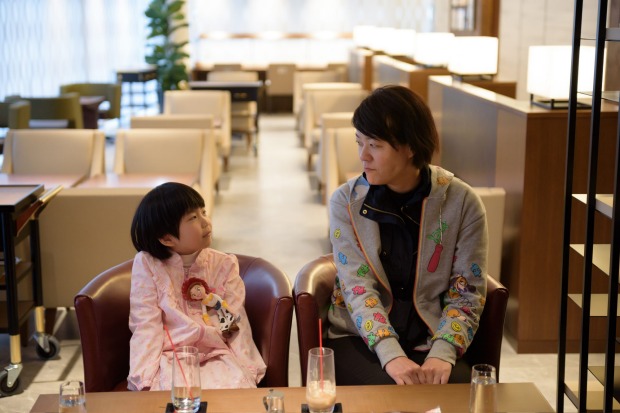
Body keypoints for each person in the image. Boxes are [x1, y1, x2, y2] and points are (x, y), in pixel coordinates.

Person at [325, 85, 488, 385]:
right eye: (359, 142)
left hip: (433, 336)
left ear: (410, 146)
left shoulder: (462, 202)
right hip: (361, 338)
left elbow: (466, 291)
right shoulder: (345, 203)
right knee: (392, 394)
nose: (363, 156)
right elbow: (356, 287)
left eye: (375, 145)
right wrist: (391, 354)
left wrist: (443, 351)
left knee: (460, 395)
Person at [127, 182, 266, 391]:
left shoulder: (224, 264)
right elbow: (145, 323)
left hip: (218, 355)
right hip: (171, 358)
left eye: (204, 212)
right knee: (173, 395)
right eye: (193, 218)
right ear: (166, 238)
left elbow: (235, 319)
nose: (205, 222)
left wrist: (249, 368)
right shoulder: (148, 265)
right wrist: (143, 378)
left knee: (234, 390)